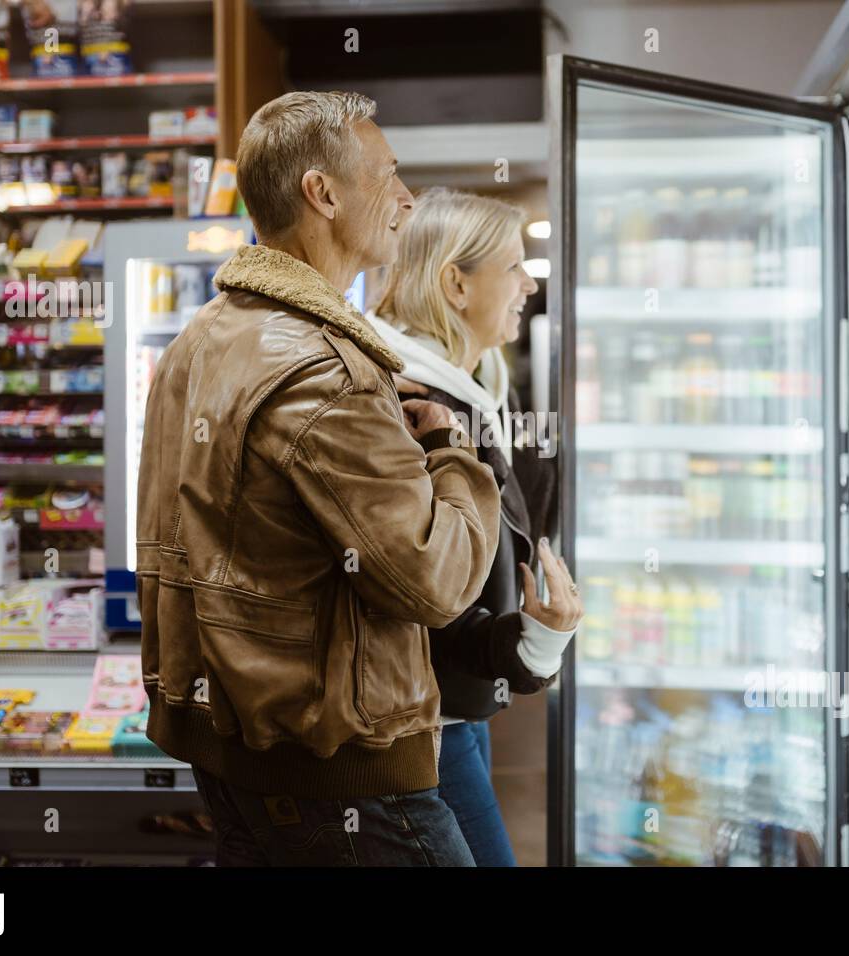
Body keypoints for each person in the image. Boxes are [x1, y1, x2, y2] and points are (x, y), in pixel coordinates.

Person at [135, 92, 502, 866]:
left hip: (232, 747)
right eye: (388, 175)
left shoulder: (201, 337)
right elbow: (436, 580)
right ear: (323, 193)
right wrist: (453, 454)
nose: (407, 198)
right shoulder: (326, 366)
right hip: (340, 770)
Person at [369, 187, 584, 866]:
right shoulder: (410, 401)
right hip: (424, 716)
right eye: (513, 266)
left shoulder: (473, 389)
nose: (529, 284)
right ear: (455, 285)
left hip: (456, 701)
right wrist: (534, 646)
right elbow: (426, 594)